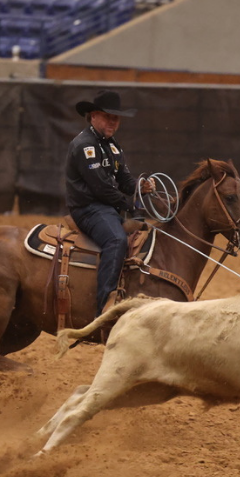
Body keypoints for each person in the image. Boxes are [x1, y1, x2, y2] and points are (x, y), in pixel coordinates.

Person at [65, 91, 153, 314]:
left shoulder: (112, 146)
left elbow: (123, 180)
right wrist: (129, 206)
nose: (113, 122)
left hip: (106, 207)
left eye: (116, 118)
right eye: (107, 117)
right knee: (115, 240)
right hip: (88, 209)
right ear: (93, 116)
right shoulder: (85, 145)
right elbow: (101, 187)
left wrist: (139, 186)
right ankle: (106, 305)